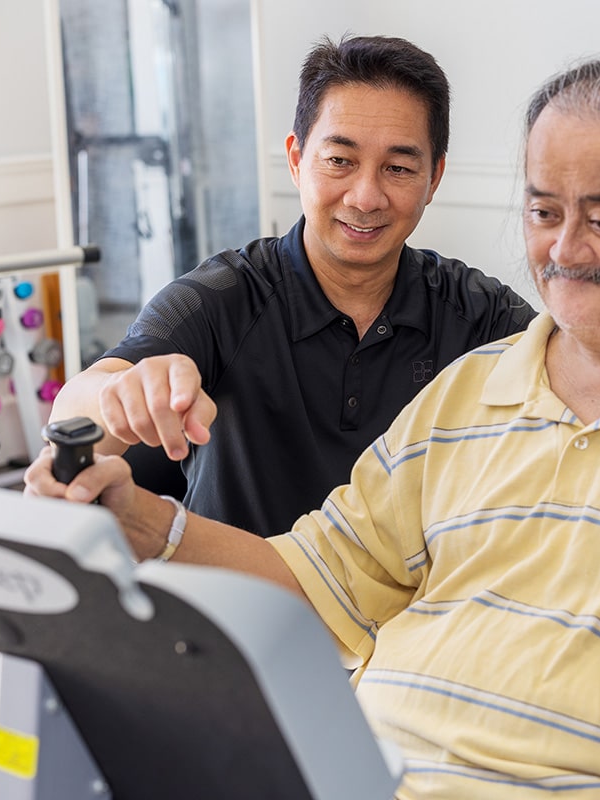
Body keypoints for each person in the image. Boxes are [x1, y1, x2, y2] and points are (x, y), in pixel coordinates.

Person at [26, 55, 600, 800]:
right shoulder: (469, 386)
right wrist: (142, 523)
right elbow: (318, 581)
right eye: (543, 212)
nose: (564, 250)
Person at [48, 34, 536, 534]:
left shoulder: (479, 314)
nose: (365, 197)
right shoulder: (220, 299)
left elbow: (572, 374)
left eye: (398, 168)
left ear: (433, 178)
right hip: (234, 583)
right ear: (297, 159)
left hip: (412, 589)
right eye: (340, 161)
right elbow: (76, 407)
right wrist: (125, 395)